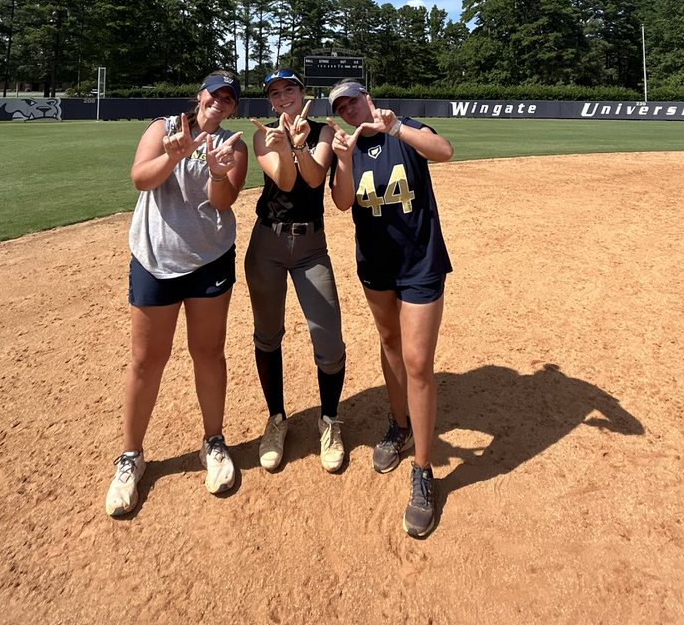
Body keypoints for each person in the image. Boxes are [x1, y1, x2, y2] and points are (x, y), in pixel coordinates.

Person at [105, 71, 248, 517]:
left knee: (208, 352)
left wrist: (219, 171)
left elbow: (222, 202)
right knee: (147, 359)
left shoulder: (234, 145)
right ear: (199, 95)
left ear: (232, 107)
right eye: (214, 94)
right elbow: (140, 179)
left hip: (209, 259)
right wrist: (172, 157)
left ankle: (214, 443)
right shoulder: (163, 128)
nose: (219, 102)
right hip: (154, 259)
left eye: (228, 99)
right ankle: (131, 456)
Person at [327, 82, 453, 538]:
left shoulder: (401, 128)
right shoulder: (349, 147)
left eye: (353, 101)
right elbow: (342, 202)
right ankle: (398, 425)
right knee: (389, 342)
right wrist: (342, 159)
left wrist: (397, 127)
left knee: (418, 361)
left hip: (420, 263)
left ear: (369, 98)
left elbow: (444, 151)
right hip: (376, 266)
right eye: (341, 107)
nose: (349, 110)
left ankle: (422, 469)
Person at [244, 69, 347, 474]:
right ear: (270, 101)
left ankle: (329, 420)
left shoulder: (322, 132)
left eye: (290, 89)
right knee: (268, 334)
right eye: (275, 92)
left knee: (328, 337)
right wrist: (285, 146)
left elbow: (314, 176)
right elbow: (285, 180)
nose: (283, 96)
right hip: (267, 244)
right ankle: (276, 420)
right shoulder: (262, 134)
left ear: (303, 93)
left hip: (310, 246)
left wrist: (301, 144)